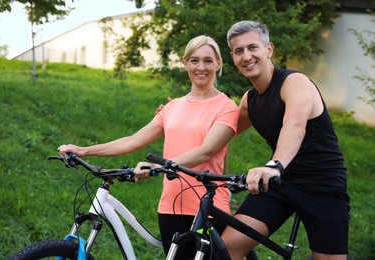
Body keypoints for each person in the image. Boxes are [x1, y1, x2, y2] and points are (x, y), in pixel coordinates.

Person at [58, 35, 239, 258]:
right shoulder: (172, 107)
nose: (201, 67)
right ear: (185, 63)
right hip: (170, 206)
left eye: (208, 61)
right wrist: (84, 150)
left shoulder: (227, 107)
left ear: (218, 64)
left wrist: (158, 167)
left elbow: (206, 151)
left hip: (208, 209)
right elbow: (133, 141)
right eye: (194, 60)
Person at [220, 20, 350, 260]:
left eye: (253, 47)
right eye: (239, 51)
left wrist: (275, 165)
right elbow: (220, 133)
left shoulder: (294, 82)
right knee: (226, 250)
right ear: (233, 57)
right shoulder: (249, 100)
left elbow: (295, 126)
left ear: (268, 49)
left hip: (321, 182)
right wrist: (178, 114)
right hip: (280, 183)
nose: (246, 56)